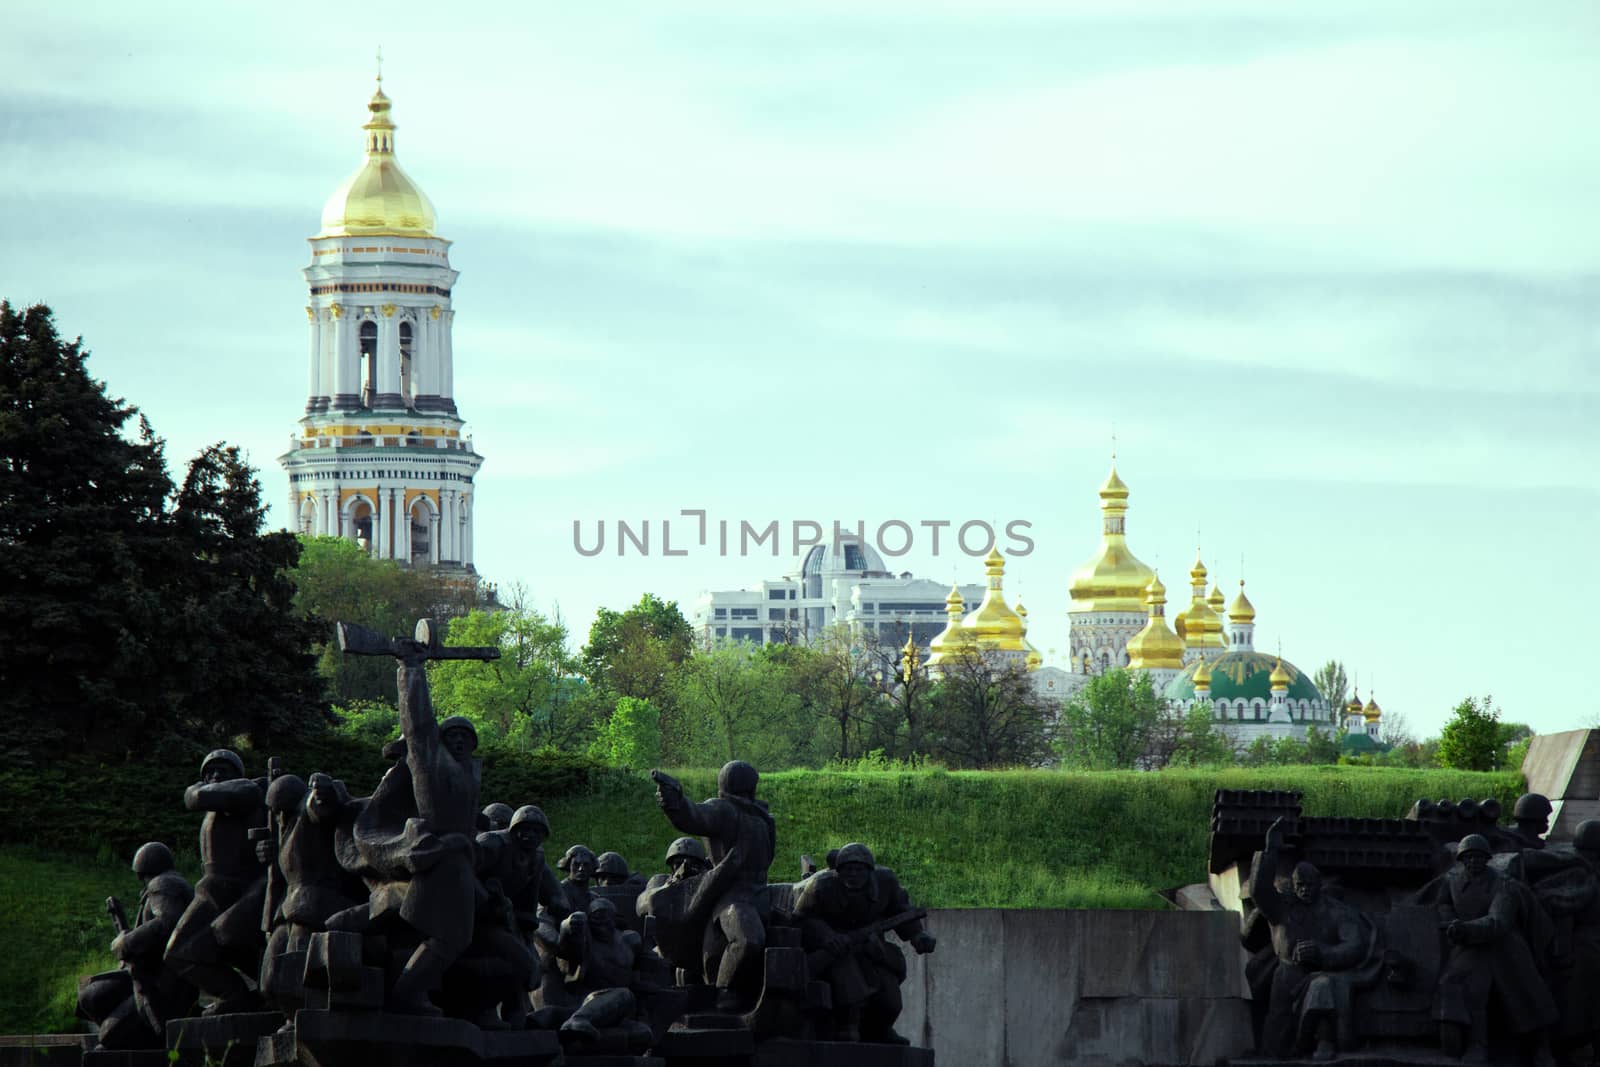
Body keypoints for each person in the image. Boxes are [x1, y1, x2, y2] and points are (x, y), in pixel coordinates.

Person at [1246, 818, 1382, 1060]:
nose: (1305, 890)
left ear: (1319, 885)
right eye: (1300, 886)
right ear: (1294, 885)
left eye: (1310, 886)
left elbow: (1355, 945)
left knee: (1324, 989)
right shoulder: (1282, 908)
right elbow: (1259, 892)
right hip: (1286, 974)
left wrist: (1323, 953)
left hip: (1321, 973)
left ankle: (1324, 1042)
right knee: (1275, 1036)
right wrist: (1271, 850)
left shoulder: (1336, 912)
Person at [654, 760, 776, 1011]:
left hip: (761, 894)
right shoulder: (724, 809)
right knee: (749, 939)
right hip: (733, 897)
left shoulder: (763, 817)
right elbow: (694, 816)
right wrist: (674, 802)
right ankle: (723, 992)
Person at [1425, 834, 1557, 1064]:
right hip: (1470, 946)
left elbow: (1499, 922)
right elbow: (1443, 903)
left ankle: (1541, 1048)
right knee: (1456, 985)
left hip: (1504, 947)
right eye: (1468, 858)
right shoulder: (1453, 881)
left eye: (1478, 857)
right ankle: (1475, 1044)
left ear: (1486, 859)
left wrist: (1464, 928)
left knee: (1528, 994)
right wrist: (1450, 920)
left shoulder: (1505, 885)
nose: (1473, 862)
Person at [792, 842, 935, 1044]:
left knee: (891, 1001)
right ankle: (847, 1028)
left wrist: (918, 936)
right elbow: (801, 918)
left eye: (859, 869)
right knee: (848, 986)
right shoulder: (821, 886)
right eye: (848, 869)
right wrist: (828, 936)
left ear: (869, 871)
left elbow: (902, 911)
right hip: (836, 950)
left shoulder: (886, 882)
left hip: (871, 948)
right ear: (839, 871)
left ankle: (880, 1030)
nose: (853, 874)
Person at [164, 749, 268, 1014]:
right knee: (180, 953)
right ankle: (235, 994)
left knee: (233, 941)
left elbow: (195, 797)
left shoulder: (245, 791)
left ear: (238, 775)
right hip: (212, 890)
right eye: (209, 771)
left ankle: (259, 992)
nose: (216, 775)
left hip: (237, 889)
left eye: (224, 770)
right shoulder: (218, 805)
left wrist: (199, 787)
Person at [77, 843, 196, 1048]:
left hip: (161, 984)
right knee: (92, 995)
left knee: (108, 1032)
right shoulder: (170, 884)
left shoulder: (163, 883)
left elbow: (167, 921)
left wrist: (125, 942)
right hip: (153, 977)